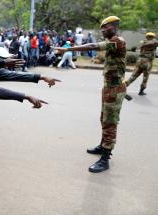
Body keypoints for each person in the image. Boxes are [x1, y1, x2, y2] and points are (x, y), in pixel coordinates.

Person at [56, 16, 127, 173]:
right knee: (104, 118)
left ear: (114, 27)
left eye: (105, 27)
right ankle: (103, 146)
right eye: (101, 28)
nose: (102, 30)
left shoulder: (117, 41)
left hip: (115, 88)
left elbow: (94, 46)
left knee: (110, 122)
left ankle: (105, 158)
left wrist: (68, 49)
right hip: (109, 87)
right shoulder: (113, 42)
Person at [124, 32, 158, 98]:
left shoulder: (143, 42)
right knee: (145, 77)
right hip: (147, 61)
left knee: (134, 75)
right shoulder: (154, 42)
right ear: (153, 37)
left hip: (140, 60)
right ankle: (141, 91)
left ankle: (123, 87)